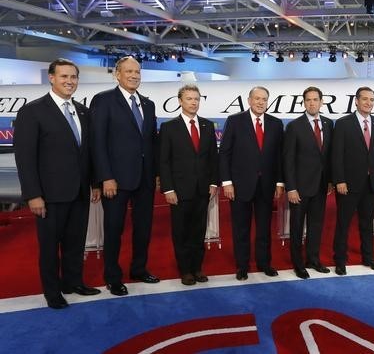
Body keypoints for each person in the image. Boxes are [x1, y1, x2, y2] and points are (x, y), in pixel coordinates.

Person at [14, 58, 101, 309]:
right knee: (50, 248)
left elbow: (88, 153)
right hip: (49, 196)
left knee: (75, 244)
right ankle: (52, 292)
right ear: (51, 78)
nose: (69, 82)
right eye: (64, 77)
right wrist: (33, 195)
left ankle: (73, 282)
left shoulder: (82, 111)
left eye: (73, 77)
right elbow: (25, 158)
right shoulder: (33, 111)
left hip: (80, 193)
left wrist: (94, 183)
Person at [91, 56, 160, 296]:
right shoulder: (103, 101)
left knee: (143, 228)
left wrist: (157, 174)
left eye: (137, 72)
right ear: (117, 74)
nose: (134, 75)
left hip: (145, 179)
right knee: (113, 229)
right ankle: (112, 276)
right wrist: (105, 177)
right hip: (116, 181)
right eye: (129, 71)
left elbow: (152, 142)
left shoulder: (148, 104)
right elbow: (97, 142)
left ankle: (139, 268)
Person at [219, 86, 284, 280]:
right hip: (239, 186)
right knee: (241, 228)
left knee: (264, 228)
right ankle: (242, 266)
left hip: (267, 186)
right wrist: (227, 182)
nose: (260, 102)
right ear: (249, 100)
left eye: (264, 99)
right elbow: (225, 153)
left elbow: (280, 156)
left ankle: (265, 263)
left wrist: (280, 182)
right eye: (257, 98)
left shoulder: (276, 123)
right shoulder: (235, 121)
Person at [159, 84, 219, 286]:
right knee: (181, 232)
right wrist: (168, 188)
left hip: (203, 189)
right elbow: (164, 161)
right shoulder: (168, 128)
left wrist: (213, 182)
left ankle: (197, 267)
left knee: (198, 230)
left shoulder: (208, 126)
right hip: (179, 190)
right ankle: (185, 270)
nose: (193, 102)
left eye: (196, 99)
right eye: (189, 99)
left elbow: (213, 158)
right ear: (180, 101)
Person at [331, 86, 374, 275]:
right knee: (343, 224)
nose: (368, 103)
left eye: (372, 100)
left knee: (367, 223)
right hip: (348, 184)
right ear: (356, 101)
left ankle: (368, 257)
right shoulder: (343, 123)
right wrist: (339, 180)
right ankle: (340, 260)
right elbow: (336, 155)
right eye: (364, 99)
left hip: (372, 184)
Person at [283, 86, 334, 279]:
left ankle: (313, 259)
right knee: (296, 227)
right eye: (308, 100)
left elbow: (328, 156)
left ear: (321, 102)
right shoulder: (294, 126)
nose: (312, 103)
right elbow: (287, 159)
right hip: (300, 188)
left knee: (316, 225)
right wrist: (291, 187)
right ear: (304, 103)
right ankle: (298, 263)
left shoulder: (329, 124)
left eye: (315, 99)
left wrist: (329, 180)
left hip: (321, 187)